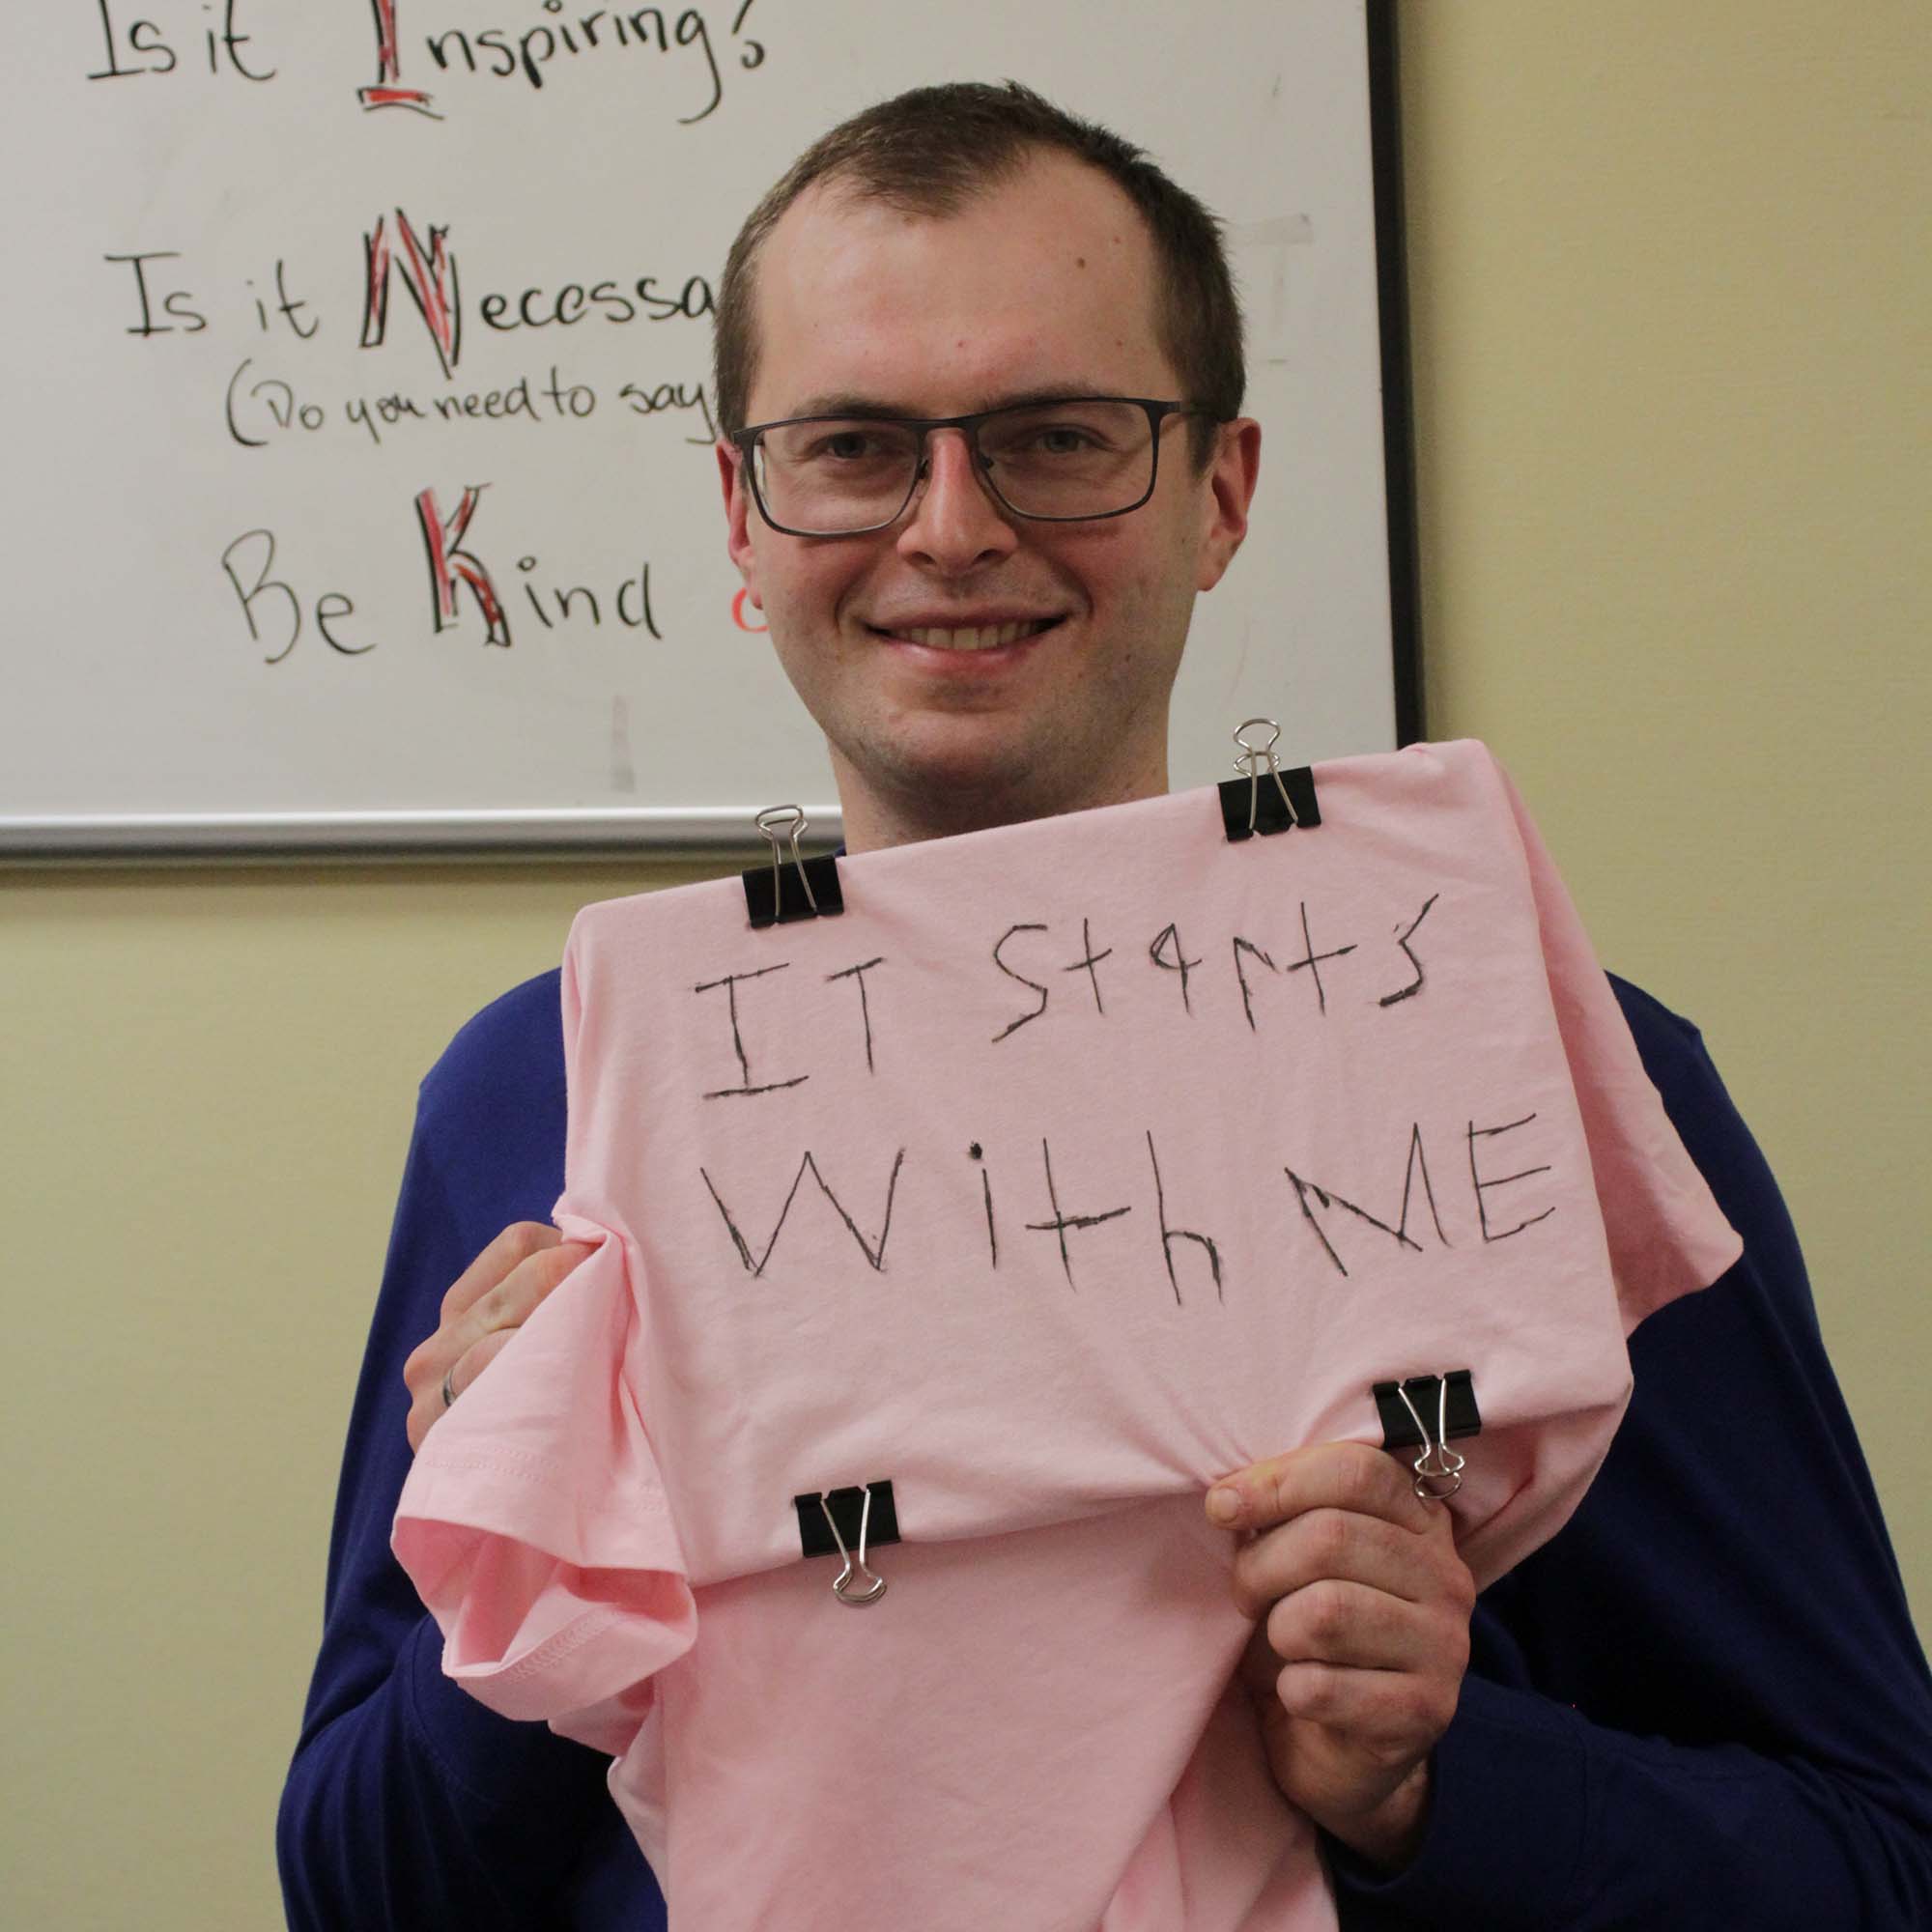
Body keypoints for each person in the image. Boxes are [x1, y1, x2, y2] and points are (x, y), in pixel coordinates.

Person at [278, 82, 1932, 1929]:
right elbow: (360, 1889)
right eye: (851, 447)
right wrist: (518, 1608)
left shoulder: (1532, 1070)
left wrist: (1429, 1781)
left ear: (1220, 497)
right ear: (744, 519)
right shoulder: (540, 1093)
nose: (952, 527)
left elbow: (1874, 1858)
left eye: (1060, 436)